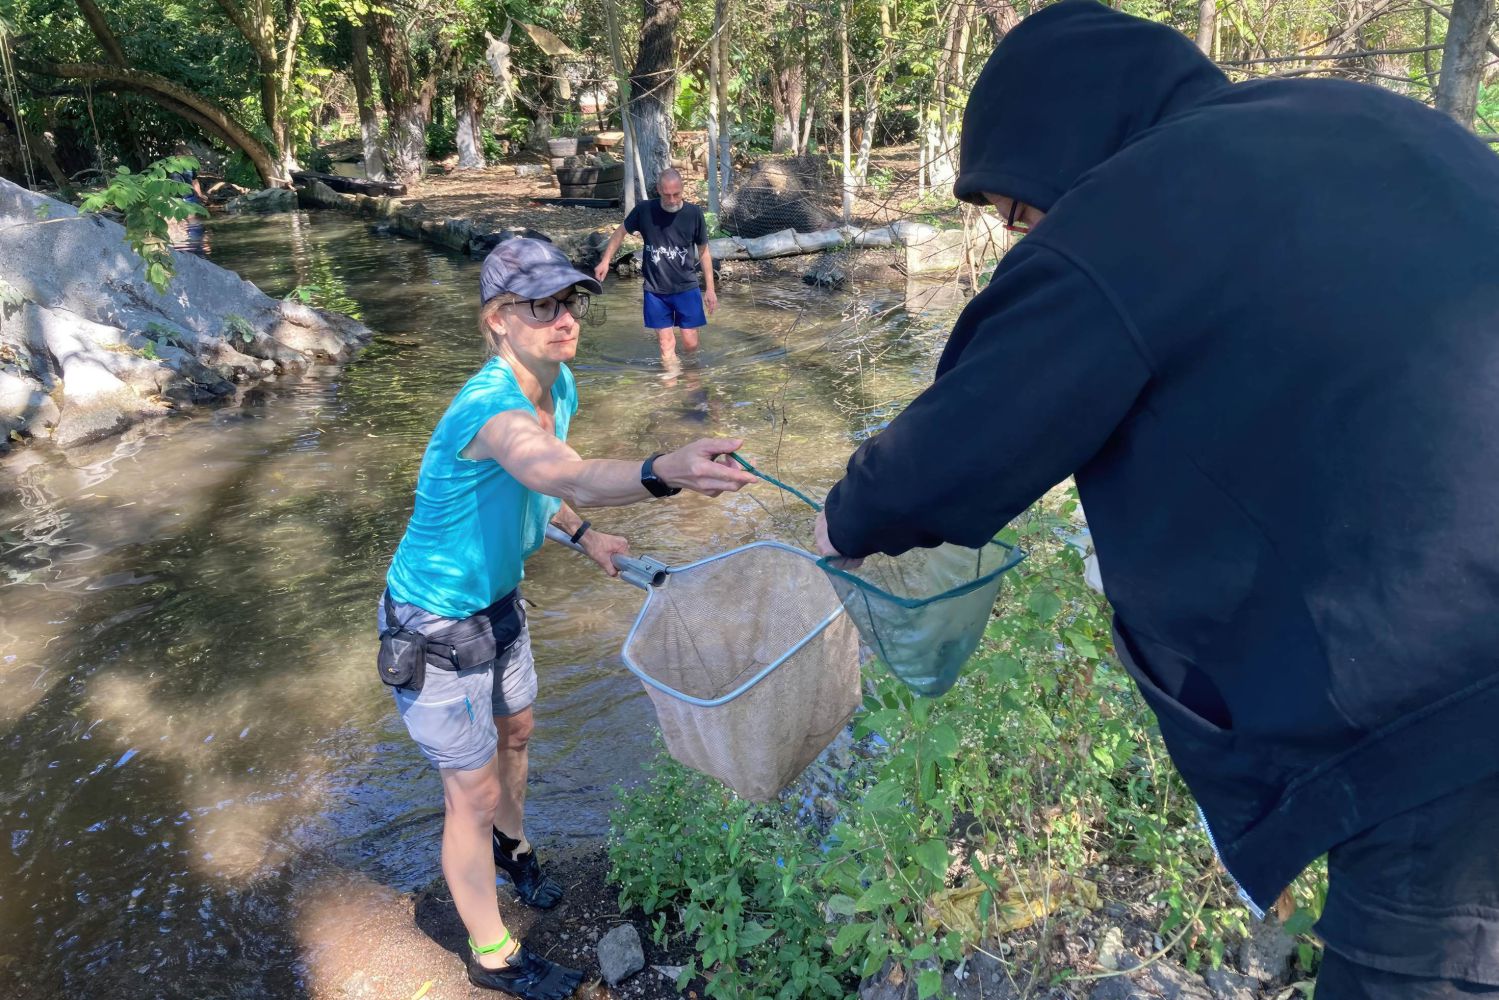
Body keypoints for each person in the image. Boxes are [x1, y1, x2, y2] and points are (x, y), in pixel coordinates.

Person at [812, 2, 1499, 996]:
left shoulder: (1135, 202)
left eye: (1012, 212)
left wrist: (840, 521)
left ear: (1058, 143)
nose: (1020, 235)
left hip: (1446, 697)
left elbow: (954, 444)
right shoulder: (1361, 121)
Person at [378, 237, 755, 998]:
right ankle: (491, 956)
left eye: (570, 302)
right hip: (432, 624)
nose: (563, 319)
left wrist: (586, 537)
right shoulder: (489, 407)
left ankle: (512, 851)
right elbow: (558, 469)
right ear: (497, 319)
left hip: (498, 604)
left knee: (517, 731)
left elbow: (540, 491)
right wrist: (664, 471)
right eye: (540, 306)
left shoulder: (559, 383)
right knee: (470, 791)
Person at [593, 168, 718, 369]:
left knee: (690, 342)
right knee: (665, 343)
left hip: (686, 287)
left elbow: (704, 252)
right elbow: (620, 233)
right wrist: (606, 261)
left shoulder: (693, 213)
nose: (672, 199)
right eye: (666, 194)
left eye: (676, 194)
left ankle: (692, 380)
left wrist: (710, 289)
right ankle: (669, 385)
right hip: (655, 290)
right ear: (658, 189)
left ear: (682, 189)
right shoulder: (644, 210)